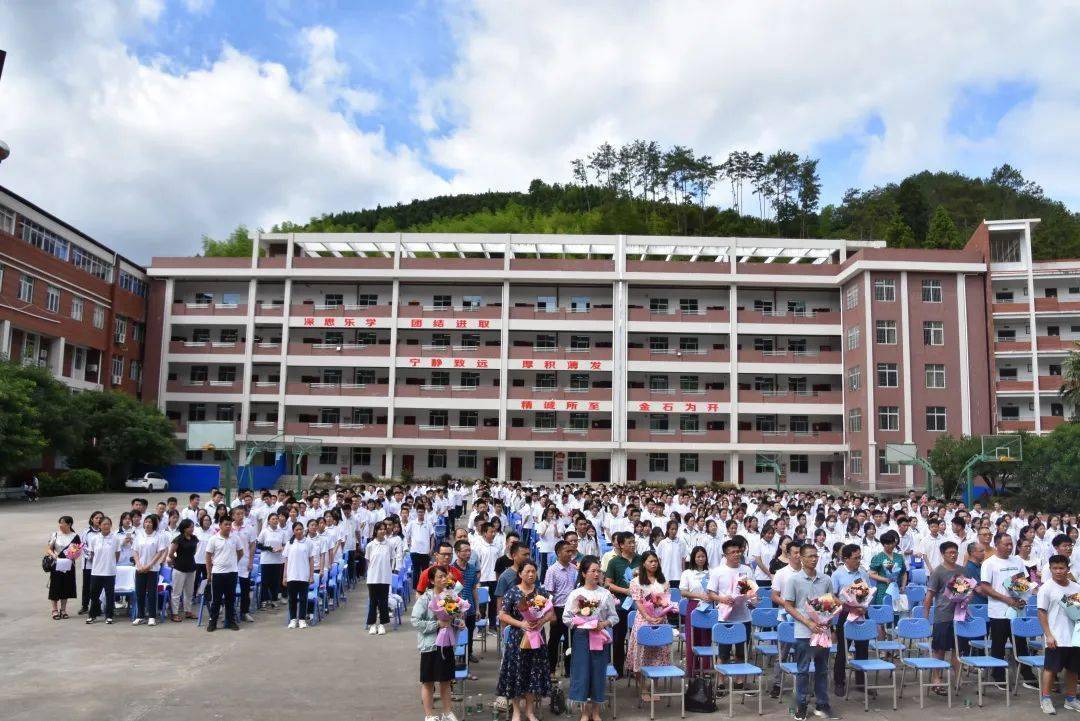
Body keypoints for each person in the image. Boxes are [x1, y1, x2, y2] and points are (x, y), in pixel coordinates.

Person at [781, 543, 837, 721]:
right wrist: (807, 621)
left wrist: (828, 623)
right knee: (803, 670)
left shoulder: (826, 579)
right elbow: (788, 606)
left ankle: (822, 703)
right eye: (810, 556)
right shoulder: (794, 580)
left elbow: (830, 604)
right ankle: (801, 704)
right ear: (801, 558)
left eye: (816, 556)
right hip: (804, 631)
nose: (814, 559)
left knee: (822, 669)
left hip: (822, 632)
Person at [497, 559, 552, 721]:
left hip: (537, 637)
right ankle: (516, 711)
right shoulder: (513, 592)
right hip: (517, 638)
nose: (531, 574)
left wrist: (540, 621)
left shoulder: (541, 592)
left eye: (533, 571)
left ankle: (529, 711)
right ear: (520, 574)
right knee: (517, 673)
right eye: (527, 571)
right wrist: (521, 623)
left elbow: (550, 612)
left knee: (532, 673)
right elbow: (503, 614)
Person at [564, 556, 618, 721]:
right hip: (581, 637)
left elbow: (615, 617)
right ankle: (584, 712)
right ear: (583, 573)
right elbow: (566, 618)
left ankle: (596, 711)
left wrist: (604, 623)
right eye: (593, 571)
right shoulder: (576, 594)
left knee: (597, 673)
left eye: (599, 571)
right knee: (582, 673)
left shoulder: (605, 594)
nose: (597, 574)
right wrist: (581, 621)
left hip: (599, 638)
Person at [979, 531, 1035, 688]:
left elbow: (1024, 583)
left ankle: (1027, 675)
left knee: (1021, 643)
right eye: (1006, 544)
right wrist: (1007, 599)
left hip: (1017, 610)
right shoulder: (989, 563)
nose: (1010, 547)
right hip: (999, 611)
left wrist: (1023, 599)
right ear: (997, 545)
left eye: (1011, 544)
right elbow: (985, 586)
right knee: (999, 644)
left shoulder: (1017, 561)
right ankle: (998, 676)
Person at [412, 565, 460, 721]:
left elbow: (453, 617)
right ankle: (429, 715)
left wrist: (458, 622)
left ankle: (447, 712)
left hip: (446, 644)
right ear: (432, 580)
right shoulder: (425, 599)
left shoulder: (450, 597)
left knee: (446, 680)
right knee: (428, 681)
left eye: (445, 576)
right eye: (439, 577)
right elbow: (415, 621)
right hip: (430, 645)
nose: (444, 579)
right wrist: (436, 625)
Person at [627, 550, 673, 703]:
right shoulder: (636, 582)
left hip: (661, 619)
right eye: (650, 561)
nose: (653, 564)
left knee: (659, 653)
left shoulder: (663, 581)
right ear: (644, 563)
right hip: (644, 620)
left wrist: (659, 616)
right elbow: (638, 601)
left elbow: (666, 601)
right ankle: (643, 687)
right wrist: (648, 617)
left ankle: (654, 686)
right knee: (642, 653)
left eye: (655, 561)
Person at [1036, 554, 1080, 715]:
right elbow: (1041, 612)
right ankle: (1046, 699)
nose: (1058, 571)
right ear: (1050, 569)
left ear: (1068, 569)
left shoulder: (1076, 588)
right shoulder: (1046, 588)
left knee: (1073, 669)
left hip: (1074, 636)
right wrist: (1048, 635)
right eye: (1055, 568)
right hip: (1055, 636)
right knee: (1050, 669)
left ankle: (1070, 699)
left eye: (1062, 568)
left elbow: (1076, 611)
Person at [707, 540, 756, 678]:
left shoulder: (746, 570)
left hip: (744, 616)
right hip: (725, 617)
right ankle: (721, 683)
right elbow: (710, 593)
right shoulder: (718, 571)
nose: (736, 554)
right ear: (725, 555)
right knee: (723, 653)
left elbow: (752, 590)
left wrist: (751, 597)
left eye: (738, 551)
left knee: (742, 653)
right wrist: (723, 599)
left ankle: (739, 681)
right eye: (733, 552)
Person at [831, 543, 871, 697]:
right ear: (845, 559)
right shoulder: (838, 574)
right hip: (845, 615)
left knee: (863, 649)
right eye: (855, 558)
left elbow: (867, 594)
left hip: (861, 614)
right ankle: (839, 682)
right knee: (843, 649)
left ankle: (861, 682)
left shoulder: (863, 573)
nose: (858, 560)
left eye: (860, 557)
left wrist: (864, 606)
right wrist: (845, 604)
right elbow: (833, 595)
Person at [923, 540, 963, 692]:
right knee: (939, 649)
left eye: (955, 552)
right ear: (943, 554)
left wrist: (966, 598)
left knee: (958, 649)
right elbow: (930, 595)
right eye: (950, 553)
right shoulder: (938, 572)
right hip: (943, 614)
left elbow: (968, 590)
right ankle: (936, 678)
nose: (953, 555)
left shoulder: (961, 570)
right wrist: (925, 617)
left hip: (959, 614)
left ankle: (958, 679)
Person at [603, 531, 640, 678]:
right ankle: (618, 668)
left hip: (639, 606)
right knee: (619, 638)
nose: (632, 545)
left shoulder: (641, 559)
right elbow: (608, 584)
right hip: (620, 605)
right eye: (629, 542)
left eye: (633, 542)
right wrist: (626, 591)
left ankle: (635, 668)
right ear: (621, 545)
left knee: (637, 637)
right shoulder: (614, 562)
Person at [544, 539, 579, 677]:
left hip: (573, 610)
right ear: (558, 553)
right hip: (558, 609)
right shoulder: (552, 571)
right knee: (554, 641)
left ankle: (569, 670)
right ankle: (551, 670)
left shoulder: (574, 569)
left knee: (571, 641)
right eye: (567, 551)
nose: (570, 554)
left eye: (572, 551)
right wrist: (551, 613)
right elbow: (549, 594)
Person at [204, 516, 242, 632]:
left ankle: (231, 622)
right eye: (226, 524)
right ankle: (213, 622)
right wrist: (209, 573)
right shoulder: (213, 539)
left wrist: (233, 563)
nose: (228, 526)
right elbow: (208, 556)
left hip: (232, 573)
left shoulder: (235, 538)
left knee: (230, 599)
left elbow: (240, 552)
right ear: (220, 525)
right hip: (218, 573)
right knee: (216, 600)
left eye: (230, 524)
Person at [86, 516, 127, 624]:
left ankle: (109, 616)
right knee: (94, 595)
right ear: (99, 526)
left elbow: (117, 554)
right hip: (96, 571)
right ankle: (92, 615)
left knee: (110, 595)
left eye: (108, 524)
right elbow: (92, 554)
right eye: (104, 524)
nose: (106, 526)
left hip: (109, 571)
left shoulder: (115, 538)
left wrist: (111, 563)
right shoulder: (94, 538)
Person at [131, 514, 169, 625]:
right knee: (140, 592)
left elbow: (160, 552)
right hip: (140, 568)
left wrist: (149, 565)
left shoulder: (158, 536)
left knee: (152, 593)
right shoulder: (139, 535)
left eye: (150, 522)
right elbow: (135, 551)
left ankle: (152, 616)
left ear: (154, 524)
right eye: (146, 522)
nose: (148, 524)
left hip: (152, 569)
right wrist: (138, 564)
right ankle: (140, 616)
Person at [679, 545, 711, 675]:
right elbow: (683, 592)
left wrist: (709, 597)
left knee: (706, 637)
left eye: (703, 556)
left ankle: (706, 669)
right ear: (693, 558)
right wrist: (699, 596)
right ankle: (692, 669)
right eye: (698, 556)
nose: (701, 559)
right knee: (693, 637)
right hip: (693, 605)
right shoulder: (687, 573)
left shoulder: (711, 572)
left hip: (708, 606)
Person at [283, 521, 316, 629]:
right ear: (293, 531)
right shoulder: (289, 543)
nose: (299, 531)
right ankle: (293, 619)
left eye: (301, 529)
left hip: (303, 575)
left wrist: (311, 575)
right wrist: (285, 576)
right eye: (297, 529)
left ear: (304, 530)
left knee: (303, 598)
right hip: (292, 575)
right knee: (292, 599)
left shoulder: (308, 543)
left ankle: (302, 619)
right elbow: (286, 560)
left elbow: (311, 560)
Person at [46, 515, 80, 619]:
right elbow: (49, 549)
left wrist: (73, 555)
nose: (60, 525)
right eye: (60, 523)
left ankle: (63, 609)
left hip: (68, 565)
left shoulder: (75, 536)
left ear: (69, 524)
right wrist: (53, 555)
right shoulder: (55, 535)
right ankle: (54, 610)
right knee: (55, 586)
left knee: (66, 586)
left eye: (63, 523)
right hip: (57, 564)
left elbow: (77, 551)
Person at [365, 521, 393, 635]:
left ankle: (382, 624)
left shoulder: (389, 545)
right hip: (372, 578)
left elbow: (391, 559)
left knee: (383, 601)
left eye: (384, 529)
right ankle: (372, 624)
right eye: (380, 529)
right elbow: (368, 561)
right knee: (373, 601)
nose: (382, 531)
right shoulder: (370, 545)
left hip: (385, 577)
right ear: (375, 531)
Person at [168, 519, 199, 621]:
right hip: (179, 569)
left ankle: (188, 611)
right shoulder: (178, 539)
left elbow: (194, 552)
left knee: (189, 592)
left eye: (193, 526)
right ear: (184, 528)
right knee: (177, 592)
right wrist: (177, 560)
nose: (192, 528)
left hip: (191, 567)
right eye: (190, 527)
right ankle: (175, 613)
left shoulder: (194, 538)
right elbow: (171, 554)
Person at [256, 512, 287, 609]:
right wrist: (269, 549)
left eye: (276, 519)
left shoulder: (282, 532)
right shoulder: (265, 531)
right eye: (273, 519)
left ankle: (274, 600)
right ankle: (264, 600)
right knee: (265, 581)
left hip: (278, 560)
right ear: (269, 521)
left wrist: (281, 548)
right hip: (266, 560)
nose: (275, 521)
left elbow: (285, 544)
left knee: (276, 581)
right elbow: (259, 544)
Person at [77, 510, 103, 615]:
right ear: (92, 519)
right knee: (87, 585)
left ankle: (97, 606)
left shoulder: (104, 531)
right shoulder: (86, 532)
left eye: (100, 518)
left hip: (101, 564)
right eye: (96, 518)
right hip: (88, 563)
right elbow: (83, 546)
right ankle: (85, 605)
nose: (98, 520)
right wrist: (91, 556)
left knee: (98, 586)